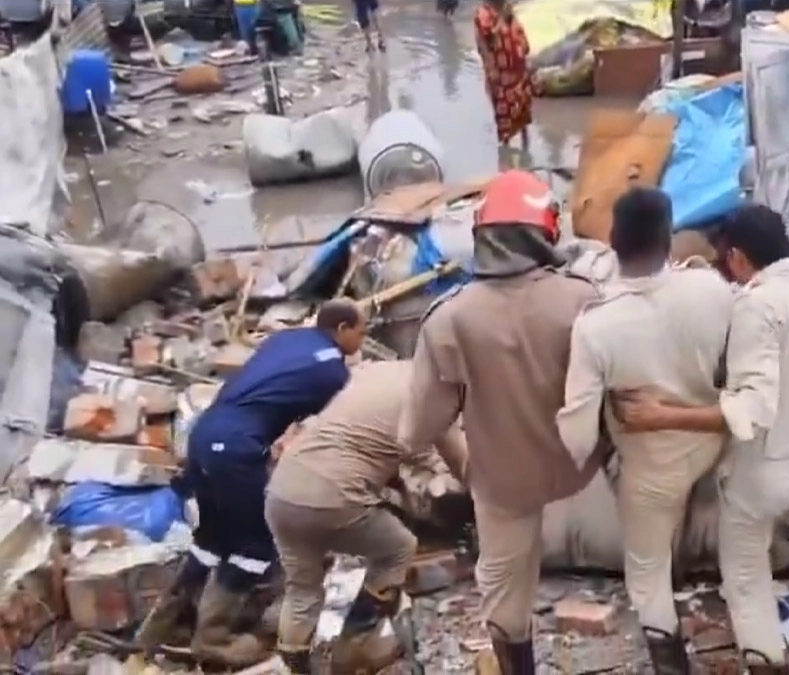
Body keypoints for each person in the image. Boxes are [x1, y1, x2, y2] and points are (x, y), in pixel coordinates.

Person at [403, 170, 610, 675]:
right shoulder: (583, 299)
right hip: (584, 464)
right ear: (546, 233)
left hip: (504, 481)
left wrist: (467, 465)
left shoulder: (449, 319)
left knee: (503, 593)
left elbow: (416, 431)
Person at [615, 204, 789, 674]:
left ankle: (767, 662)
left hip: (770, 468)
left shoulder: (758, 306)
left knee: (744, 576)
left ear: (736, 256)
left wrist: (661, 416)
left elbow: (751, 411)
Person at [556, 187, 734, 674]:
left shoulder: (596, 326)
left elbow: (577, 427)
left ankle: (670, 662)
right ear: (668, 239)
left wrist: (580, 464)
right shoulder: (713, 291)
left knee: (648, 573)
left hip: (652, 467)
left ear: (612, 240)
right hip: (714, 440)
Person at [136, 300, 364, 668]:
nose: (362, 340)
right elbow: (335, 432)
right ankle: (212, 639)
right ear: (342, 329)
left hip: (204, 435)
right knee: (255, 545)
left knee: (211, 540)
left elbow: (274, 391)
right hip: (236, 450)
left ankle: (160, 627)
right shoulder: (334, 374)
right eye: (361, 332)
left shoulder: (288, 340)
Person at [266, 360, 466, 674]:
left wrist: (400, 476)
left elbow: (372, 435)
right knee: (398, 548)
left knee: (303, 586)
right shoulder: (434, 396)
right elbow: (461, 464)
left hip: (283, 491)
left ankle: (296, 666)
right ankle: (353, 647)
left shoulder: (376, 371)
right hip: (333, 495)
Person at [474, 0, 534, 149]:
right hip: (502, 77)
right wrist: (491, 68)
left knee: (522, 113)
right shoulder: (484, 14)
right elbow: (484, 44)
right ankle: (505, 155)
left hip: (519, 72)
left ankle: (525, 150)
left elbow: (520, 37)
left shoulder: (508, 12)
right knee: (504, 120)